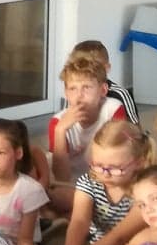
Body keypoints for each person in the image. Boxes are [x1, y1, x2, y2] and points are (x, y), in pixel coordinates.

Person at [46, 54, 127, 213]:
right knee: (54, 196)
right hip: (74, 183)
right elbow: (62, 177)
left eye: (87, 88)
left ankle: (89, 211)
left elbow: (121, 156)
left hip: (110, 178)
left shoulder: (113, 109)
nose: (79, 95)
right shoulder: (57, 122)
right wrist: (60, 131)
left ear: (103, 90)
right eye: (72, 89)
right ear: (66, 93)